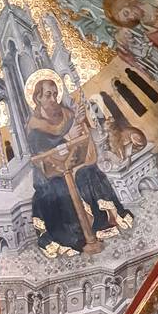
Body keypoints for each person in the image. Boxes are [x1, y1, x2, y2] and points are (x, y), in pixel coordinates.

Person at [25, 73, 132, 256]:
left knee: (89, 173)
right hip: (52, 174)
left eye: (55, 93)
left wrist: (79, 124)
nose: (53, 98)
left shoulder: (67, 114)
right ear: (38, 98)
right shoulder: (35, 127)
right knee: (57, 191)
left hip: (75, 164)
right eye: (48, 95)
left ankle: (102, 224)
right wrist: (67, 136)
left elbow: (83, 142)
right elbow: (42, 154)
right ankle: (75, 238)